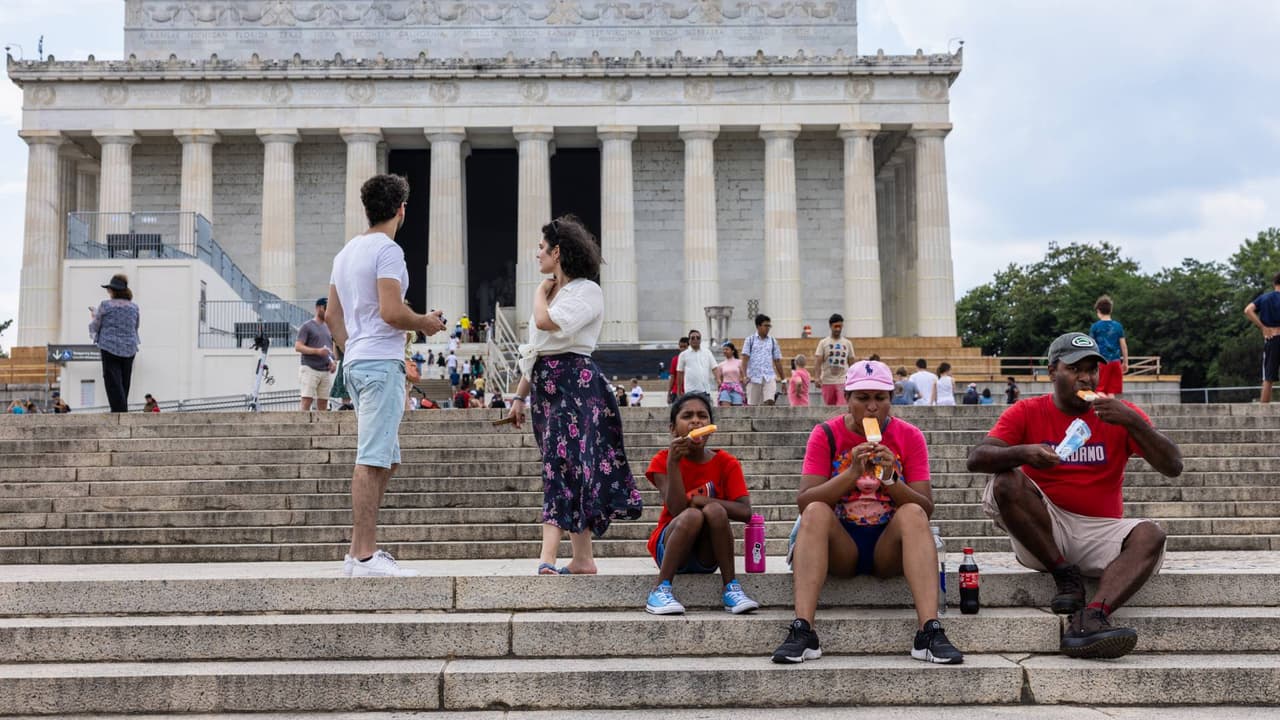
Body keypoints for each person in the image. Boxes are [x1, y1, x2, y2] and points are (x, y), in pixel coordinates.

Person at [966, 332, 1183, 659]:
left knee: (1152, 534)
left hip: (1100, 531)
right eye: (1075, 368)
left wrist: (1133, 422)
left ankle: (1091, 617)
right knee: (1006, 480)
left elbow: (1173, 466)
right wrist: (1025, 453)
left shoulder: (1118, 413)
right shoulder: (1027, 411)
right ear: (1053, 372)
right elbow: (977, 458)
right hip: (1044, 532)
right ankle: (1064, 575)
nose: (1086, 377)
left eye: (1092, 369)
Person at [772, 360, 964, 665]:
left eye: (880, 398)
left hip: (889, 545)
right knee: (815, 512)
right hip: (841, 543)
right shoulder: (826, 434)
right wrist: (850, 474)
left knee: (912, 512)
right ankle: (803, 630)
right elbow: (805, 501)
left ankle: (929, 631)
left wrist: (890, 479)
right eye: (862, 398)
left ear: (892, 398)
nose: (872, 407)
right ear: (847, 399)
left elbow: (926, 507)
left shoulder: (909, 436)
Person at [505, 214, 644, 575]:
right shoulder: (559, 292)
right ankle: (583, 558)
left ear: (558, 251)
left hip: (575, 385)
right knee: (570, 468)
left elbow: (547, 324)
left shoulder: (586, 291)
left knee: (559, 465)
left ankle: (547, 558)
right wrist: (519, 398)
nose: (537, 255)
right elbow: (535, 351)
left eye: (541, 248)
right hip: (547, 387)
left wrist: (538, 294)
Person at [326, 173, 447, 577]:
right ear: (401, 210)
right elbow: (392, 312)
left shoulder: (345, 252)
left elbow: (331, 315)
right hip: (379, 362)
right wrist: (425, 322)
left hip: (359, 361)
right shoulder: (388, 251)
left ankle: (359, 551)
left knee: (386, 459)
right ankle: (363, 556)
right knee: (372, 459)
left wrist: (351, 347)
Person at [644, 392, 760, 615]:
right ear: (672, 428)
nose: (696, 421)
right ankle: (660, 589)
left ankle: (731, 588)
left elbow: (746, 512)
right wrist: (674, 463)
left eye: (702, 416)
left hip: (707, 553)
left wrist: (703, 500)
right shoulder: (662, 460)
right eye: (687, 416)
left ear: (711, 425)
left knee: (714, 510)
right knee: (692, 515)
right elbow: (677, 509)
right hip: (670, 547)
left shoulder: (727, 463)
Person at [88, 274, 141, 413]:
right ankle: (122, 409)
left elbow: (96, 324)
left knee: (112, 381)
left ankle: (119, 411)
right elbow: (135, 327)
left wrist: (93, 316)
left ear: (113, 290)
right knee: (124, 381)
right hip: (129, 347)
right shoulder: (134, 307)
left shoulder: (105, 305)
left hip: (109, 346)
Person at [1243, 271, 1280, 404]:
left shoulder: (1264, 298)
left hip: (1272, 338)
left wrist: (1263, 327)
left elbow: (1248, 310)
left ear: (1274, 283)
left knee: (1268, 378)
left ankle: (1263, 413)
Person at [295, 297, 337, 411]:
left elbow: (331, 348)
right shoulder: (307, 326)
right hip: (310, 368)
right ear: (318, 308)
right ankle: (302, 425)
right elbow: (298, 346)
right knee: (307, 399)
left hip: (325, 370)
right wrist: (317, 351)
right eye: (325, 308)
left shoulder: (328, 327)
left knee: (323, 402)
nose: (328, 311)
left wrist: (333, 362)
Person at [1090, 295, 1129, 397]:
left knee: (1099, 390)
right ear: (1110, 310)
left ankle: (1102, 412)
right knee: (1111, 393)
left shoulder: (1095, 327)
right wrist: (1125, 362)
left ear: (1098, 310)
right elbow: (1123, 345)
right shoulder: (1118, 326)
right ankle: (1111, 412)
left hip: (1102, 362)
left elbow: (1091, 346)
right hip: (1116, 362)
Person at [741, 314, 784, 406]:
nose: (768, 328)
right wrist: (744, 376)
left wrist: (783, 379)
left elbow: (777, 360)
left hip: (769, 376)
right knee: (753, 405)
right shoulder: (750, 340)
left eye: (769, 326)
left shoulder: (773, 341)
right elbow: (744, 359)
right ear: (758, 326)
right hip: (753, 377)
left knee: (769, 401)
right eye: (765, 325)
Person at [813, 313, 854, 406]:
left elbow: (852, 362)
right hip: (827, 381)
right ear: (830, 326)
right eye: (835, 326)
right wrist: (817, 377)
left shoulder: (847, 343)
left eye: (840, 326)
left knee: (842, 406)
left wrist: (853, 378)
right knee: (829, 408)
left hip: (842, 380)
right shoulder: (823, 343)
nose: (838, 329)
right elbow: (818, 361)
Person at [676, 329, 718, 398]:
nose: (695, 339)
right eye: (692, 338)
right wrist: (679, 390)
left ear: (700, 340)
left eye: (698, 338)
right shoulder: (683, 355)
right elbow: (680, 373)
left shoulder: (707, 352)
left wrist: (718, 380)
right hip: (690, 391)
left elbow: (714, 368)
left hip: (705, 391)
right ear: (689, 340)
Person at [714, 342, 745, 407]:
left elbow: (744, 375)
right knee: (725, 409)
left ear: (732, 351)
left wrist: (743, 380)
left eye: (727, 349)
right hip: (725, 388)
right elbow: (719, 379)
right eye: (724, 350)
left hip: (736, 388)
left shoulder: (739, 362)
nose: (725, 351)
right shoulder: (721, 365)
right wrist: (719, 388)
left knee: (737, 409)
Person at [668, 336, 689, 403]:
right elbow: (672, 377)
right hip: (676, 392)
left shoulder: (694, 360)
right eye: (681, 347)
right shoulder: (675, 360)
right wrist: (668, 393)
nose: (682, 349)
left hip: (689, 391)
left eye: (684, 347)